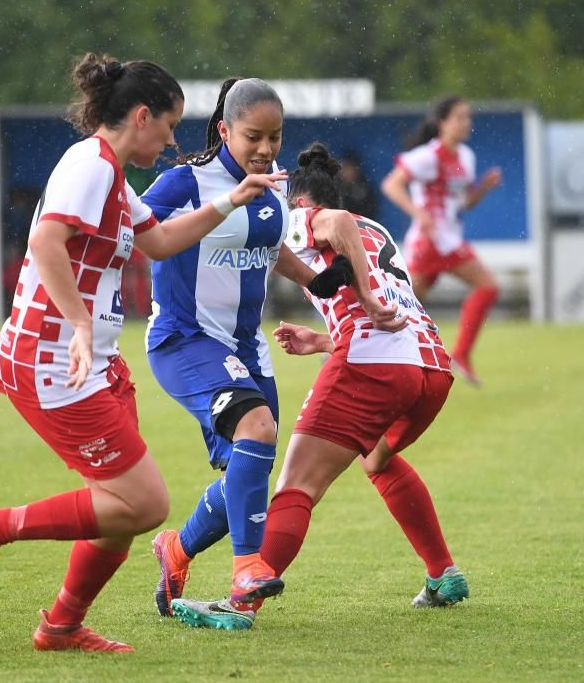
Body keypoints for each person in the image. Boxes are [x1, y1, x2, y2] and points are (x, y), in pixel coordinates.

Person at [0, 54, 288, 653]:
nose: (175, 139)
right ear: (141, 115)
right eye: (170, 125)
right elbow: (46, 241)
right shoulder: (90, 166)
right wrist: (80, 325)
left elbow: (158, 242)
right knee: (144, 502)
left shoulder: (113, 178)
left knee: (120, 508)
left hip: (90, 363)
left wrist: (231, 202)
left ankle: (61, 626)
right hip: (51, 361)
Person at [170, 144, 468, 630]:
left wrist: (365, 299)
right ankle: (443, 573)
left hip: (373, 365)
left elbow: (338, 230)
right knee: (376, 458)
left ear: (301, 201)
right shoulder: (379, 229)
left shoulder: (306, 217)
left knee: (296, 486)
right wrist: (325, 340)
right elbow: (394, 313)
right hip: (428, 368)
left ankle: (240, 604)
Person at [142, 79, 377, 618]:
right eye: (254, 136)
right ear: (224, 130)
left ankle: (176, 549)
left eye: (275, 137)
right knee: (258, 430)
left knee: (247, 472)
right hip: (185, 340)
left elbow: (267, 248)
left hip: (245, 348)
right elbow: (135, 229)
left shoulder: (270, 186)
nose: (266, 149)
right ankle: (248, 568)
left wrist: (315, 281)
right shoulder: (186, 182)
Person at [380, 95, 502, 386]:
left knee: (403, 306)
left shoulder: (466, 157)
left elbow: (463, 203)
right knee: (488, 286)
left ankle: (352, 345)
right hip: (432, 240)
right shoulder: (429, 156)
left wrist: (483, 187)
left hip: (447, 238)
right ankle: (460, 354)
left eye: (468, 117)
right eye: (459, 117)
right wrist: (418, 212)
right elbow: (391, 184)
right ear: (442, 123)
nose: (465, 123)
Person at [339, 150, 378, 219]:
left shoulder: (364, 187)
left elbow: (371, 209)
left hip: (361, 224)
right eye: (346, 168)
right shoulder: (337, 186)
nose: (349, 172)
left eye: (351, 168)